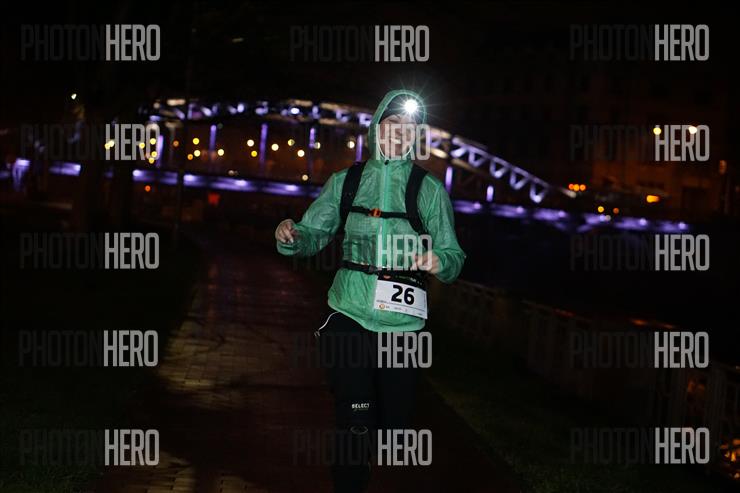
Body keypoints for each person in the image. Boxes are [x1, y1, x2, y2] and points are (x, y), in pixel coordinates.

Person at [275, 89, 465, 492]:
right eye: (392, 125)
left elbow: (453, 254)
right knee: (356, 416)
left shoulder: (429, 190)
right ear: (377, 129)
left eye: (408, 129)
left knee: (393, 426)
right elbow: (313, 233)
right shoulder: (346, 182)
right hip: (348, 311)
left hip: (402, 326)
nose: (398, 134)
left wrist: (441, 261)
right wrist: (292, 236)